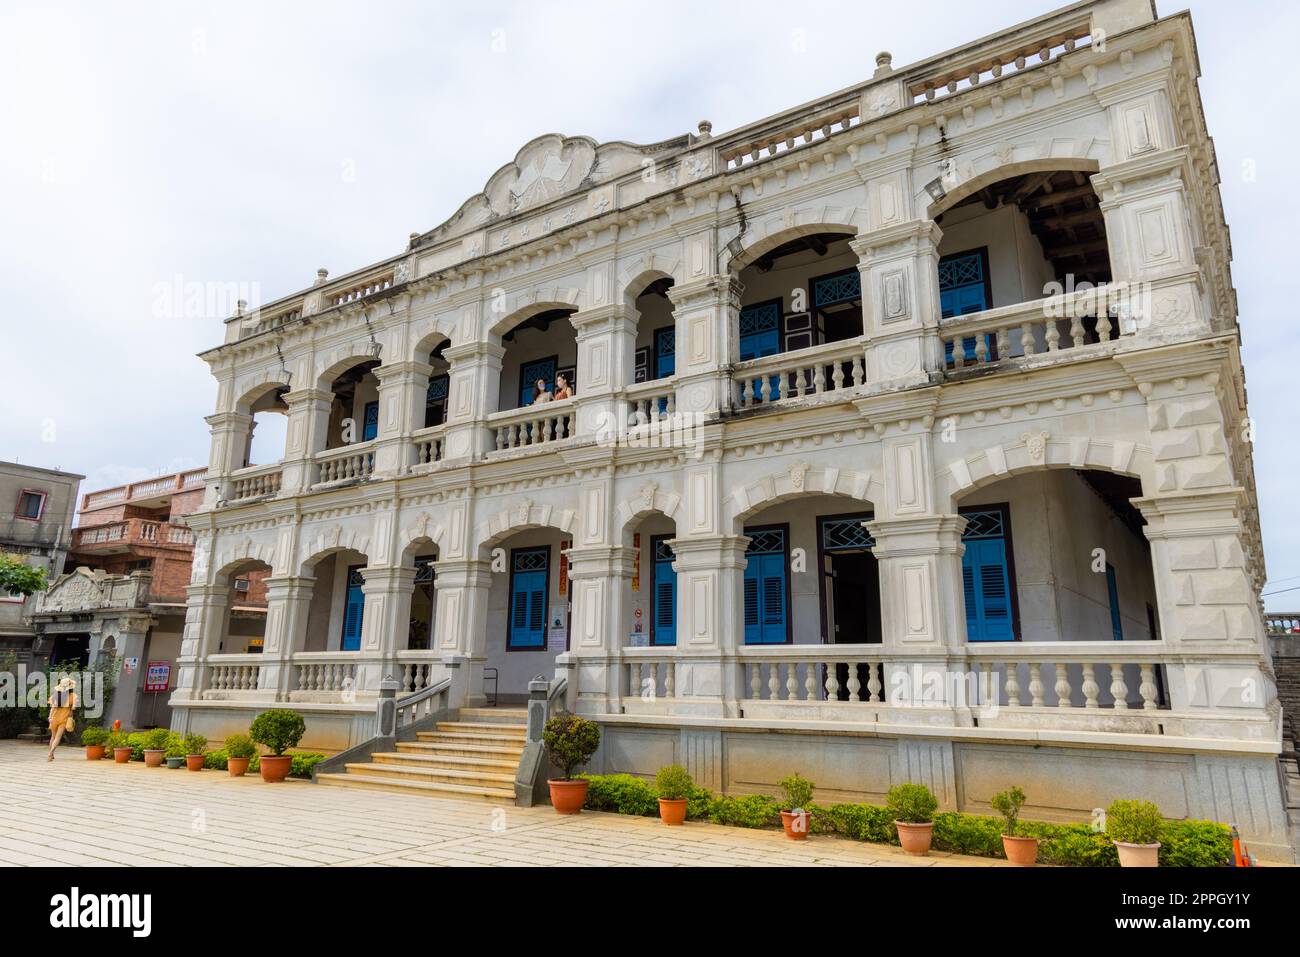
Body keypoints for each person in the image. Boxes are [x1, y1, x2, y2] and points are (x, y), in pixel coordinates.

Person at [47, 675, 78, 761]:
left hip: (54, 718)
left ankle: (51, 754)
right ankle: (50, 753)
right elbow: (72, 710)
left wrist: (50, 717)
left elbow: (52, 708)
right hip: (64, 719)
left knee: (53, 737)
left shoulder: (55, 696)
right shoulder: (73, 696)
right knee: (58, 737)